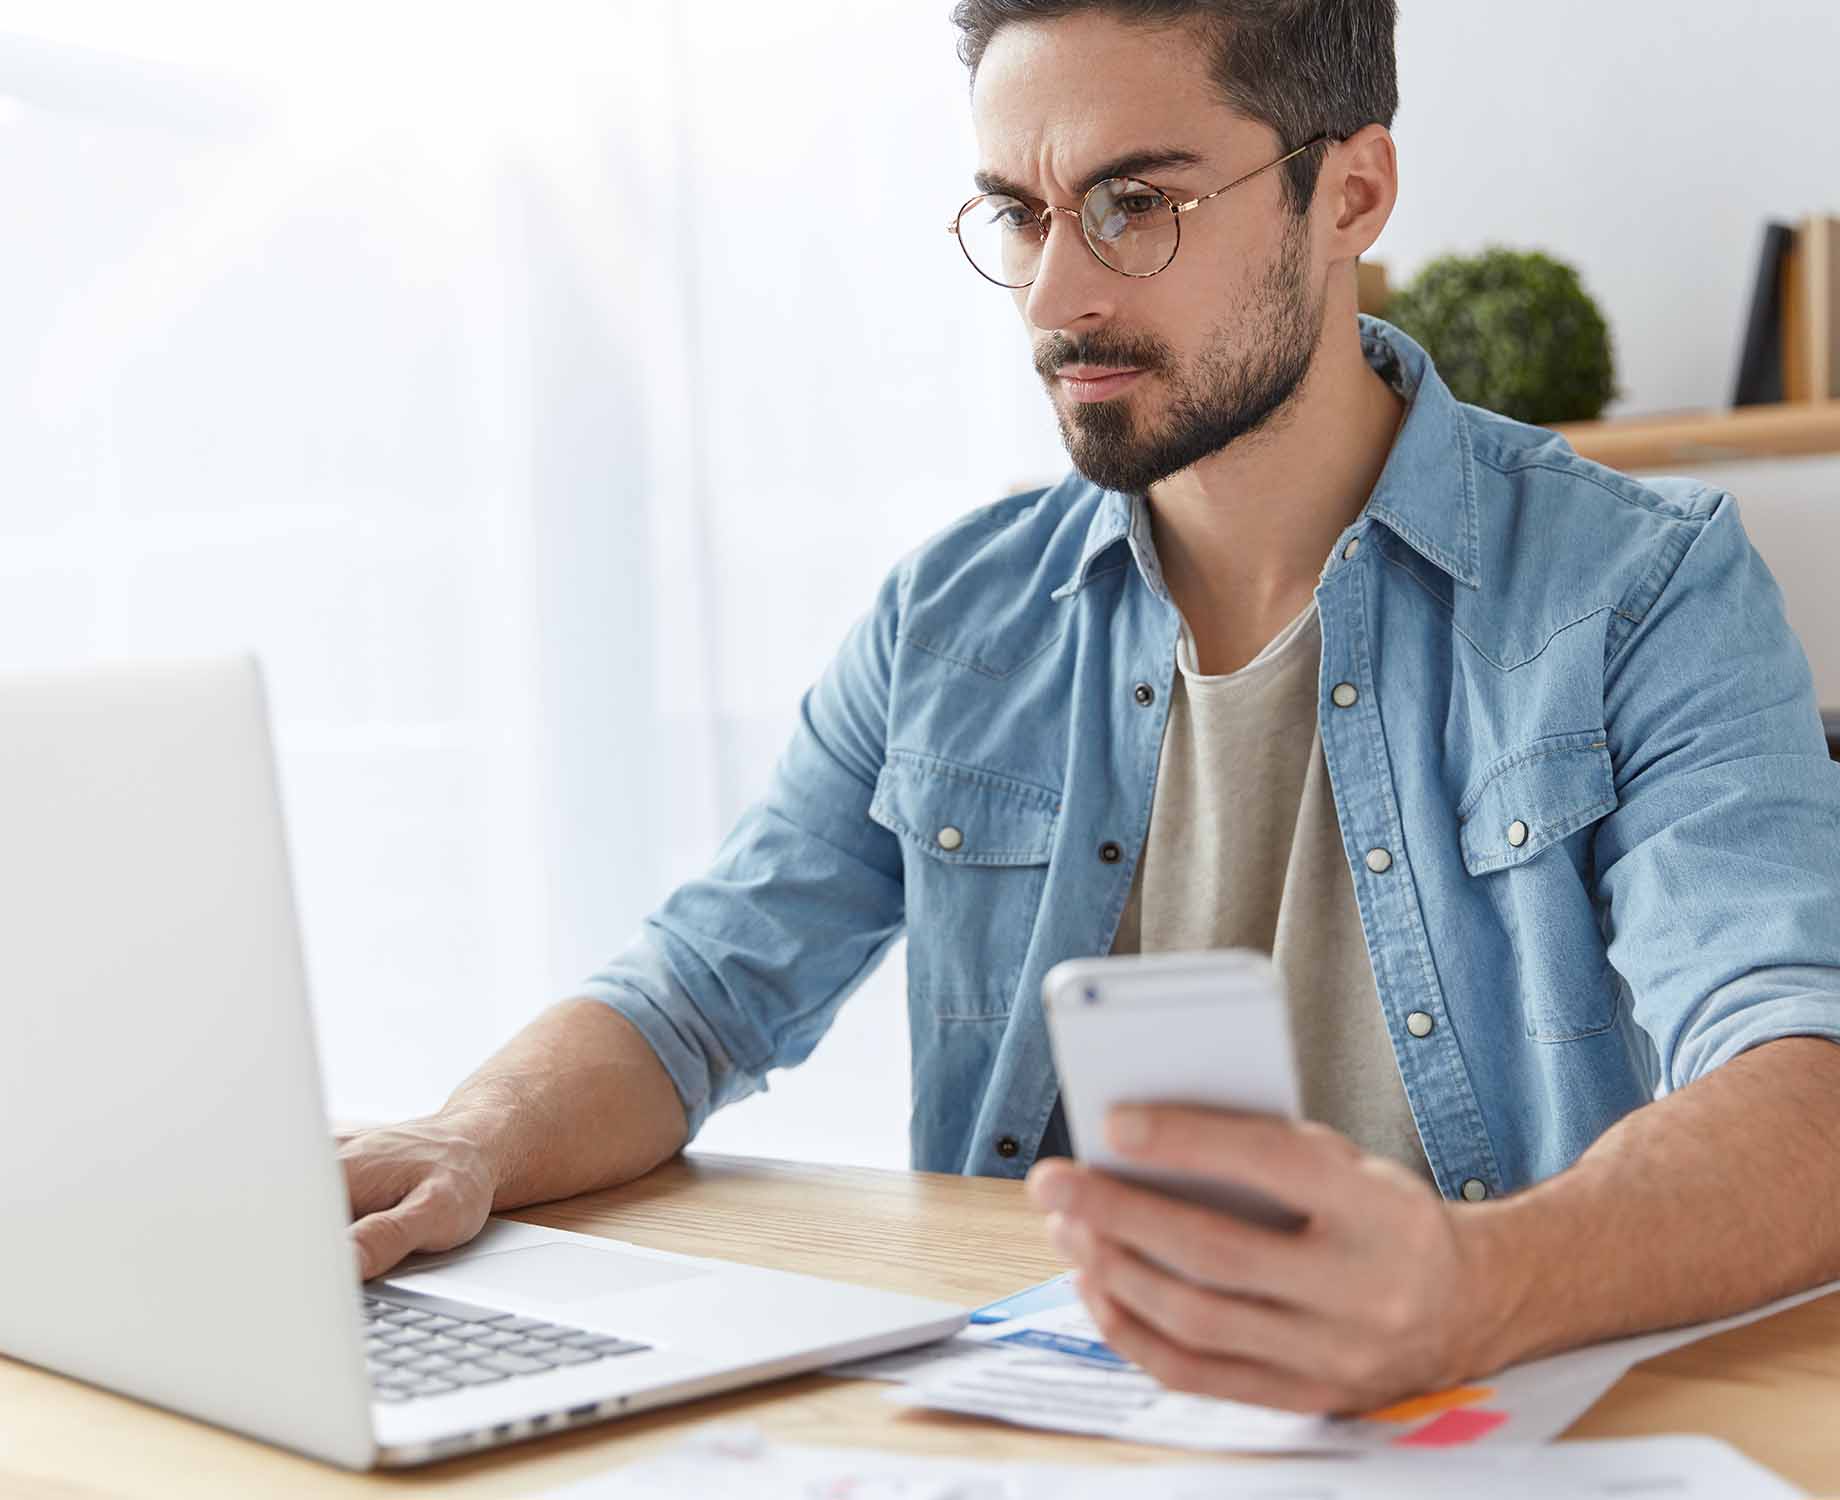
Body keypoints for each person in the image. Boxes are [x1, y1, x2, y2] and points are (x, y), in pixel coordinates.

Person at [339, 0, 1840, 1413]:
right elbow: (694, 996)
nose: (1057, 294)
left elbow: (1806, 1078)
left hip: (1481, 1424)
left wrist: (1477, 1288)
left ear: (1351, 197)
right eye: (1019, 212)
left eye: (1138, 203)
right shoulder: (951, 616)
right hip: (1050, 1429)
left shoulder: (1639, 589)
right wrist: (465, 1142)